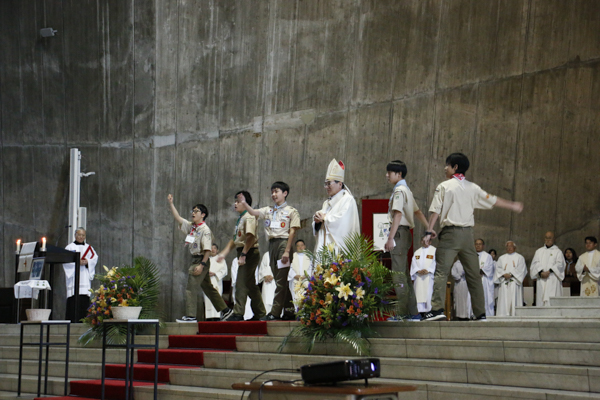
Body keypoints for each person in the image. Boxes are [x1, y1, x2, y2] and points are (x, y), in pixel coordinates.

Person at [423, 152, 523, 321]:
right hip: (468, 235)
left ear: (454, 167)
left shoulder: (445, 186)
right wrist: (512, 205)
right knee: (474, 275)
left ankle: (437, 309)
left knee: (441, 272)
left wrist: (428, 231)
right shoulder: (472, 187)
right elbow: (492, 200)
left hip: (450, 234)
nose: (444, 168)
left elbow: (436, 210)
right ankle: (480, 313)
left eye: (447, 165)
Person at [237, 182, 300, 321]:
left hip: (284, 244)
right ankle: (290, 311)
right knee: (280, 280)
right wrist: (244, 203)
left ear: (285, 193)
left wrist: (287, 251)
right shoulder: (268, 210)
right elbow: (254, 212)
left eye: (276, 191)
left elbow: (292, 232)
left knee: (281, 279)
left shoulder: (291, 211)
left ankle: (275, 312)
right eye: (272, 191)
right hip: (272, 245)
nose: (273, 194)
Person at [168, 194, 233, 322]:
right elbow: (178, 218)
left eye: (196, 211)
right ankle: (226, 310)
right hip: (195, 258)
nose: (193, 213)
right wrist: (171, 204)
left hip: (200, 260)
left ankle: (191, 316)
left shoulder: (205, 230)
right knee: (208, 288)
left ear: (203, 214)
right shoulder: (192, 227)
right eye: (193, 210)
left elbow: (208, 250)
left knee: (190, 288)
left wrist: (202, 265)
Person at [384, 160, 429, 320]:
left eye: (390, 172)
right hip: (405, 233)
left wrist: (390, 238)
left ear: (399, 174)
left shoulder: (399, 191)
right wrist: (429, 228)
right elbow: (418, 212)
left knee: (398, 275)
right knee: (403, 274)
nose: (387, 175)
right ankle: (413, 312)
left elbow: (397, 214)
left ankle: (402, 312)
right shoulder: (407, 191)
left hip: (399, 234)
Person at [217, 191, 266, 321]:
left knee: (241, 283)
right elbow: (235, 239)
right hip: (244, 251)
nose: (235, 204)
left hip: (249, 252)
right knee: (250, 284)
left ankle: (238, 313)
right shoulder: (241, 218)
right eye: (235, 201)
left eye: (238, 201)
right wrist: (224, 253)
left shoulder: (249, 216)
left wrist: (244, 254)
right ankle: (261, 313)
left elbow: (250, 237)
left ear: (246, 203)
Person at [313, 159, 360, 254]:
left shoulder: (348, 199)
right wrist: (317, 221)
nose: (326, 187)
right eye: (325, 184)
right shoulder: (327, 202)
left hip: (337, 248)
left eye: (329, 184)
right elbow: (322, 221)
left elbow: (343, 223)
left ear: (340, 184)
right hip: (324, 246)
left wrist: (325, 218)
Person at [64, 228, 98, 322]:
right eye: (79, 235)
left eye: (83, 235)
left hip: (84, 277)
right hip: (74, 276)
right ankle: (72, 320)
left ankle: (84, 320)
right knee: (73, 299)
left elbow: (94, 259)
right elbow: (65, 261)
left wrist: (87, 262)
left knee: (84, 299)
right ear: (75, 235)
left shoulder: (89, 248)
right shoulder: (69, 247)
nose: (81, 237)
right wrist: (77, 262)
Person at [530, 231, 565, 306]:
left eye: (550, 238)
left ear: (554, 239)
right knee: (541, 301)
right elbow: (535, 264)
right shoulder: (539, 251)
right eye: (546, 238)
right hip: (541, 279)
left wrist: (549, 271)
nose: (548, 240)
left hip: (552, 279)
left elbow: (560, 264)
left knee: (551, 301)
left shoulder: (558, 252)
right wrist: (540, 272)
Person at [494, 241, 527, 316]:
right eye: (507, 246)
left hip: (514, 282)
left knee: (514, 300)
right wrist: (503, 274)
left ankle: (515, 315)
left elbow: (521, 269)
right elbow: (498, 269)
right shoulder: (501, 258)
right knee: (503, 301)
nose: (509, 248)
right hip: (504, 282)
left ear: (514, 248)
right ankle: (502, 315)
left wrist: (511, 274)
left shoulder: (520, 257)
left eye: (511, 246)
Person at [409, 236, 436, 314]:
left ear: (430, 241)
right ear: (421, 241)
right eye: (423, 241)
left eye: (427, 241)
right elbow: (413, 263)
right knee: (419, 294)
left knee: (429, 295)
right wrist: (417, 270)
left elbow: (436, 262)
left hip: (429, 277)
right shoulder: (417, 252)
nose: (425, 242)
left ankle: (429, 312)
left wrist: (429, 270)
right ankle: (420, 313)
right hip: (419, 277)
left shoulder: (434, 251)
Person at [204, 244, 228, 321]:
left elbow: (224, 271)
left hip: (216, 282)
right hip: (207, 282)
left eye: (214, 248)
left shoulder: (221, 260)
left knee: (216, 298)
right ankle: (209, 317)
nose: (213, 250)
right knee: (208, 299)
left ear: (217, 250)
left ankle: (217, 317)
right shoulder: (206, 260)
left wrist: (215, 274)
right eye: (211, 248)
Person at [288, 239, 313, 310]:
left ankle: (305, 313)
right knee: (295, 297)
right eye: (298, 246)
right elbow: (290, 267)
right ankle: (297, 312)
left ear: (304, 246)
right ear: (296, 247)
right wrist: (294, 275)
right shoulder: (292, 256)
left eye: (302, 245)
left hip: (305, 279)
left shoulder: (309, 255)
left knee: (305, 296)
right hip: (295, 279)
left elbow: (311, 267)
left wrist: (306, 275)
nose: (300, 247)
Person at [475, 239, 495, 317]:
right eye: (476, 244)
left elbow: (490, 268)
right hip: (474, 280)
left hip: (484, 280)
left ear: (483, 246)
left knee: (484, 298)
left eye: (480, 244)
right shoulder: (471, 255)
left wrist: (480, 270)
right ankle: (473, 314)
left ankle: (486, 314)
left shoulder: (488, 256)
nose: (478, 245)